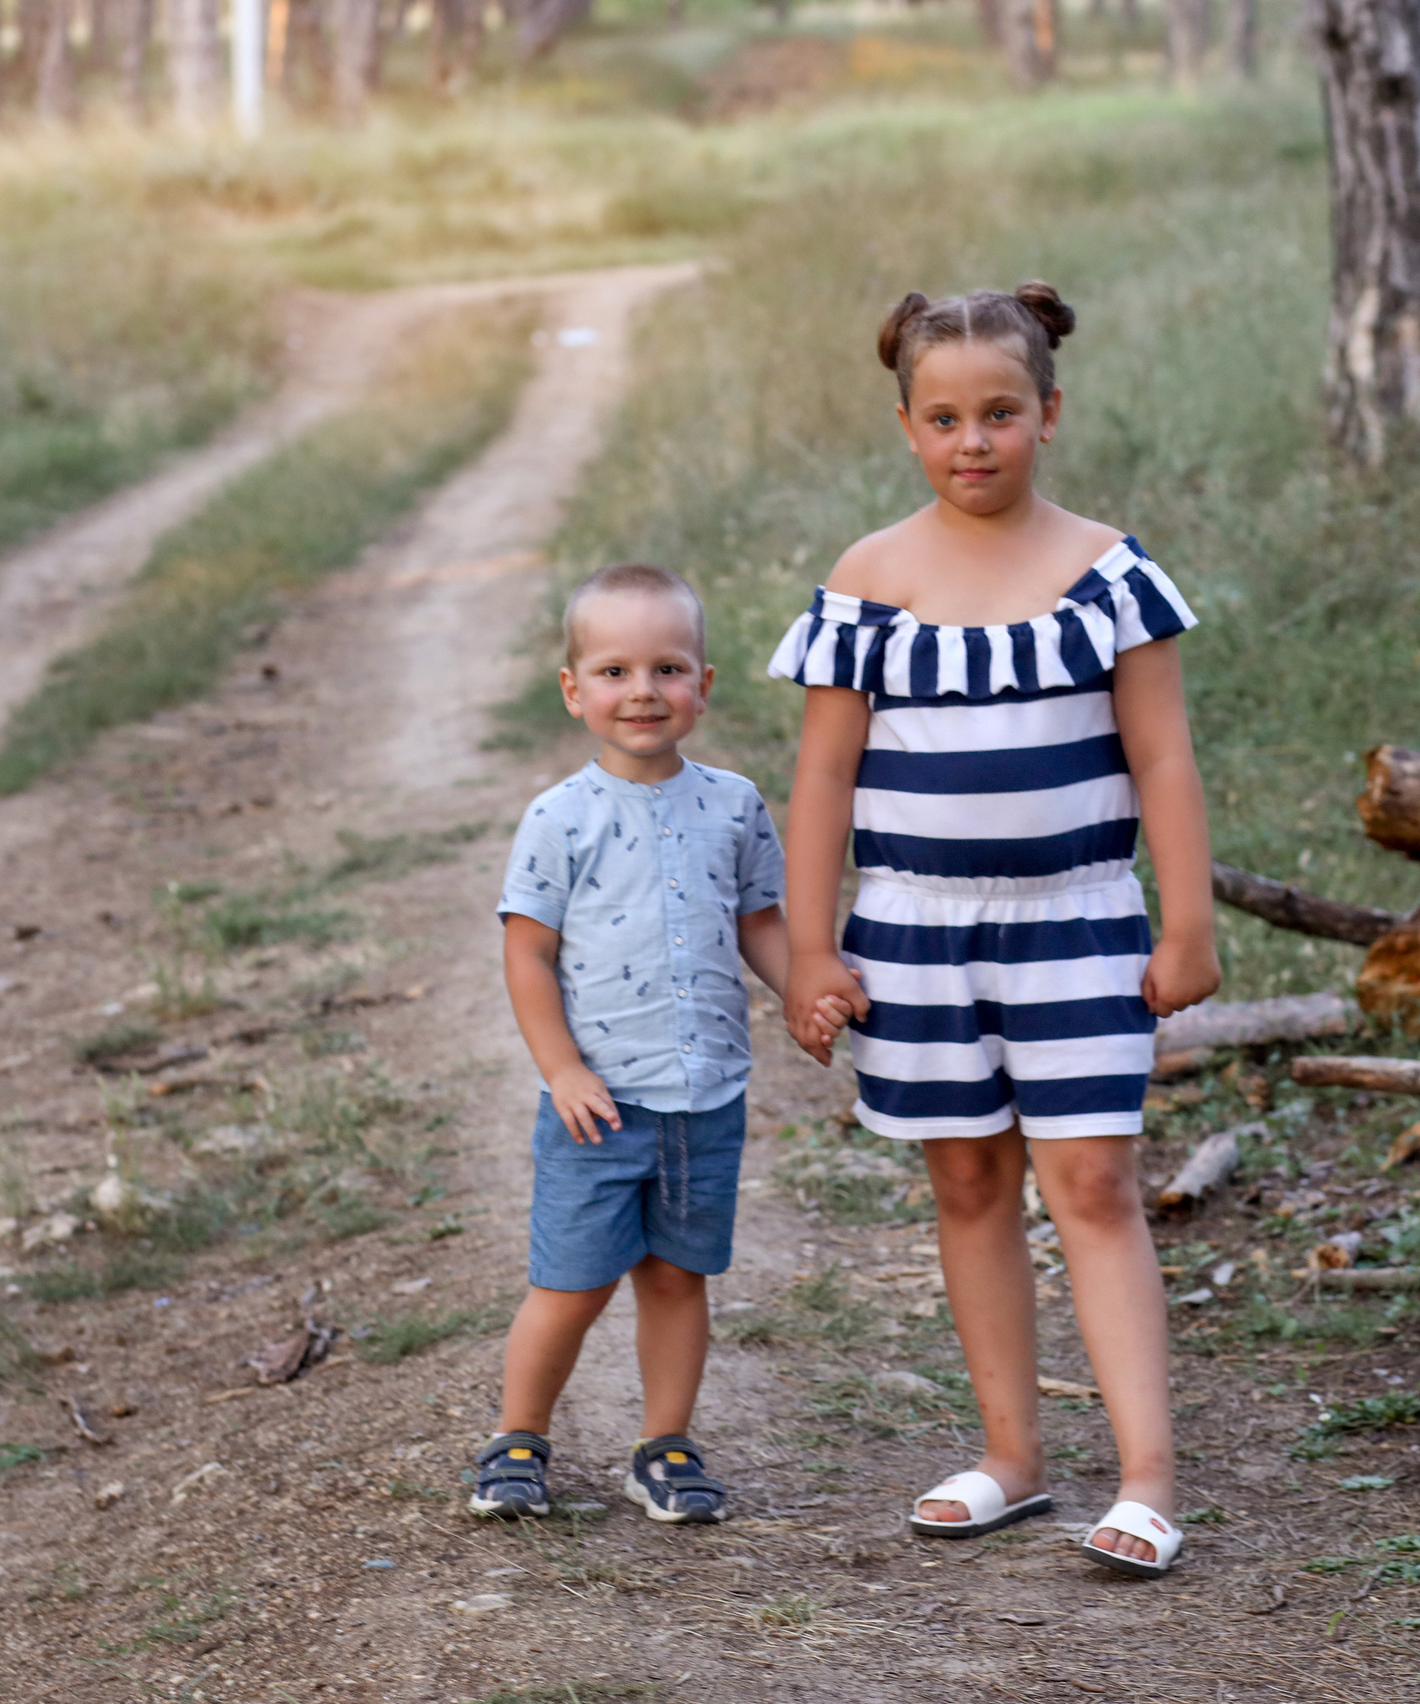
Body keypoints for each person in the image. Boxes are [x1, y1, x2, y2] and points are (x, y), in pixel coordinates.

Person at [770, 283, 1221, 1580]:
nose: (976, 440)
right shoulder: (868, 582)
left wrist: (1185, 919)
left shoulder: (1107, 575)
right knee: (967, 1177)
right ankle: (1013, 1453)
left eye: (1003, 414)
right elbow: (822, 783)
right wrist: (812, 947)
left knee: (1091, 1179)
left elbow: (1165, 758)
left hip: (1078, 921)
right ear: (908, 425)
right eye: (948, 416)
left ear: (1050, 414)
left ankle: (1146, 1476)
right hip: (914, 932)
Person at [475, 563, 828, 1526]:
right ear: (574, 689)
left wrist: (805, 991)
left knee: (678, 1277)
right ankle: (517, 1438)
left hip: (704, 1095)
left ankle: (664, 1443)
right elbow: (528, 955)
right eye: (616, 670)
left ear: (704, 685)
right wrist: (561, 1066)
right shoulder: (560, 818)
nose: (643, 691)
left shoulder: (733, 803)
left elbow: (759, 920)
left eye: (669, 667)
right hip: (600, 1101)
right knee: (573, 1281)